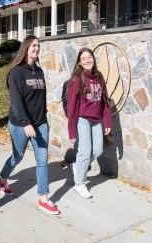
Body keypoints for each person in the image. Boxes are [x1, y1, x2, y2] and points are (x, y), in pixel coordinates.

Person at [0, 35, 60, 215]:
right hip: (20, 124)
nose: (36, 49)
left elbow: (40, 100)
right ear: (25, 48)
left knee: (42, 159)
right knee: (18, 156)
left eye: (38, 46)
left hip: (40, 123)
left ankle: (43, 198)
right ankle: (3, 179)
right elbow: (17, 102)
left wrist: (43, 121)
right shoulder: (16, 72)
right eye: (33, 45)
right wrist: (26, 123)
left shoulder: (39, 72)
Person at [66, 47, 112, 199]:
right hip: (83, 119)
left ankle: (78, 166)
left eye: (89, 57)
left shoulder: (99, 76)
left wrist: (107, 121)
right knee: (85, 151)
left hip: (96, 120)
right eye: (83, 58)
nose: (87, 60)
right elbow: (71, 106)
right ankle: (79, 183)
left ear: (93, 58)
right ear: (79, 62)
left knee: (98, 151)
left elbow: (105, 101)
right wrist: (72, 131)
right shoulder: (77, 79)